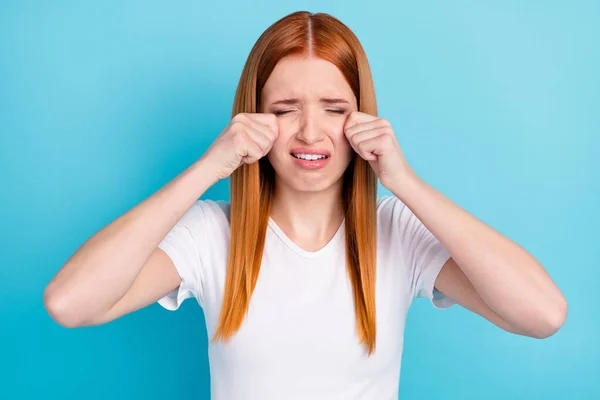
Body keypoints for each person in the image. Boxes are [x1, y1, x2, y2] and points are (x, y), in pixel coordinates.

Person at [43, 10, 567, 400]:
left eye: (335, 109)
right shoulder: (210, 233)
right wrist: (208, 168)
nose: (311, 131)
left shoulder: (398, 232)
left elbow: (542, 314)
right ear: (253, 118)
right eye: (285, 109)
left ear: (362, 118)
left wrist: (404, 183)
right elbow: (71, 303)